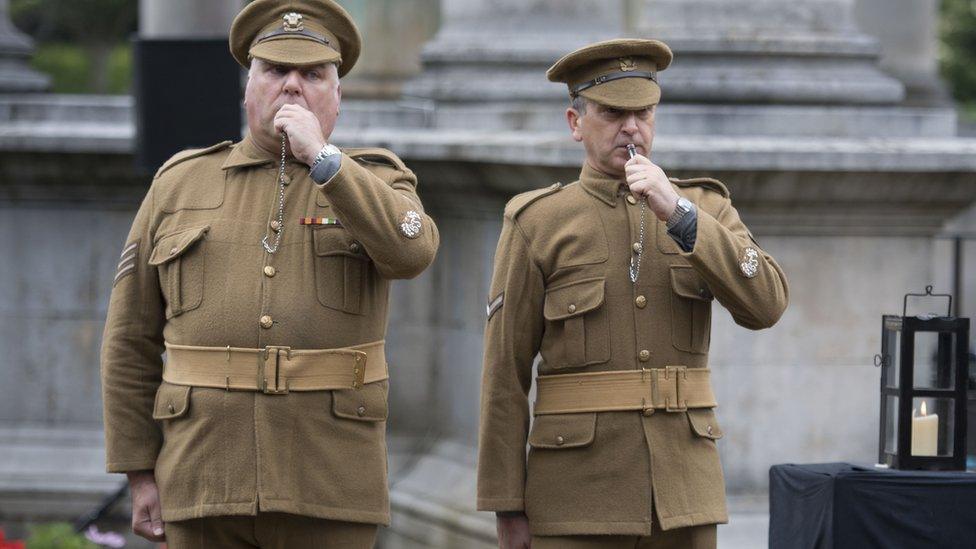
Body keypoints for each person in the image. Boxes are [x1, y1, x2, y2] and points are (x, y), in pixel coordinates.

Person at [99, 1, 438, 547]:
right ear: (248, 86)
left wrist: (324, 159)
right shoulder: (180, 184)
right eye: (275, 71)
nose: (292, 87)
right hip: (202, 476)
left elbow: (412, 252)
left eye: (313, 74)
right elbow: (128, 341)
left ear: (337, 95)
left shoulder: (377, 181)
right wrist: (139, 471)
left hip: (328, 480)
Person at [477, 38, 789, 549]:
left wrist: (682, 217)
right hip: (576, 499)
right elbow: (504, 375)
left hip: (683, 495)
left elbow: (767, 304)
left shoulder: (702, 206)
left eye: (643, 112)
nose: (631, 127)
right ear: (576, 124)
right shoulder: (539, 222)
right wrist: (506, 502)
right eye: (611, 112)